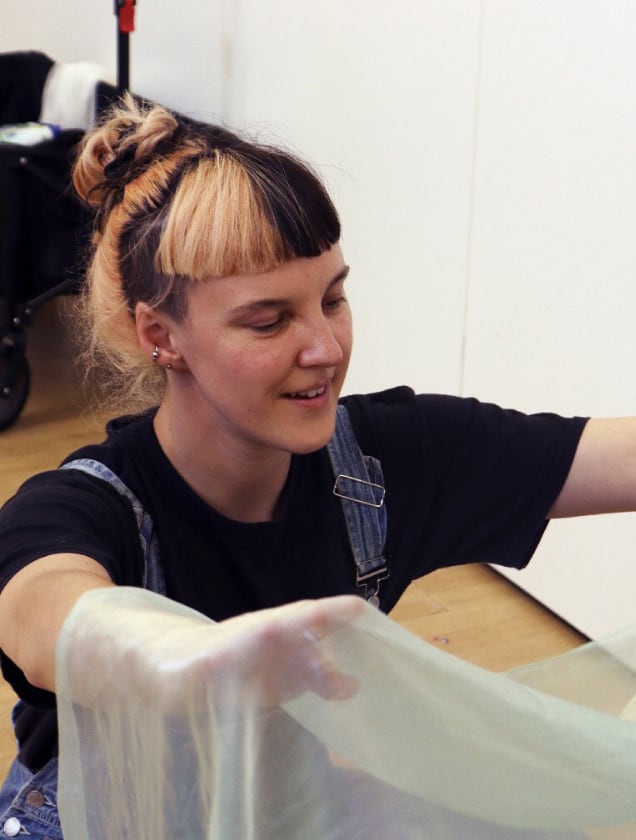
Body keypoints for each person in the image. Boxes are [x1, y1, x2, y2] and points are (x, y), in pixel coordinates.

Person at [0, 95, 634, 838]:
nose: (326, 349)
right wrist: (193, 660)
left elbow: (609, 457)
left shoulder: (384, 461)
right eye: (268, 321)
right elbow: (43, 614)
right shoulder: (86, 504)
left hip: (275, 804)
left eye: (333, 299)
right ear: (159, 335)